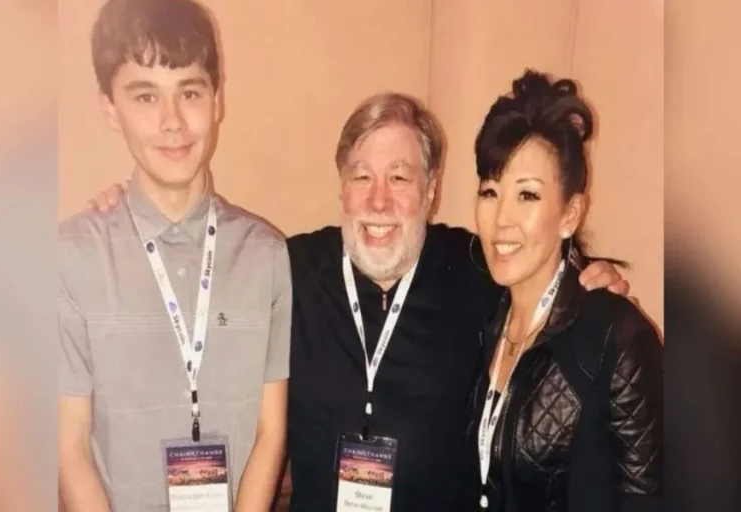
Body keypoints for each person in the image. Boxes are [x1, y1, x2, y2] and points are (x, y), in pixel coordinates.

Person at [85, 91, 630, 510]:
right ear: (341, 187)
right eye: (361, 176)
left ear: (431, 190)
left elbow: (533, 264)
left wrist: (586, 278)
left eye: (400, 178)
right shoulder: (288, 267)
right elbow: (201, 257)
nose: (378, 200)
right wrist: (130, 208)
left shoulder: (473, 269)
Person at [57, 1, 290, 511]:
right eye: (146, 96)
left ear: (217, 100)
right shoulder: (71, 259)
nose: (172, 122)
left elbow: (270, 431)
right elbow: (69, 447)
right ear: (110, 108)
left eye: (189, 92)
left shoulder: (268, 257)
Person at [468, 69, 663, 511]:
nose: (501, 219)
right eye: (490, 191)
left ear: (570, 214)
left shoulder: (616, 337)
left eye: (528, 195)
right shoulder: (483, 316)